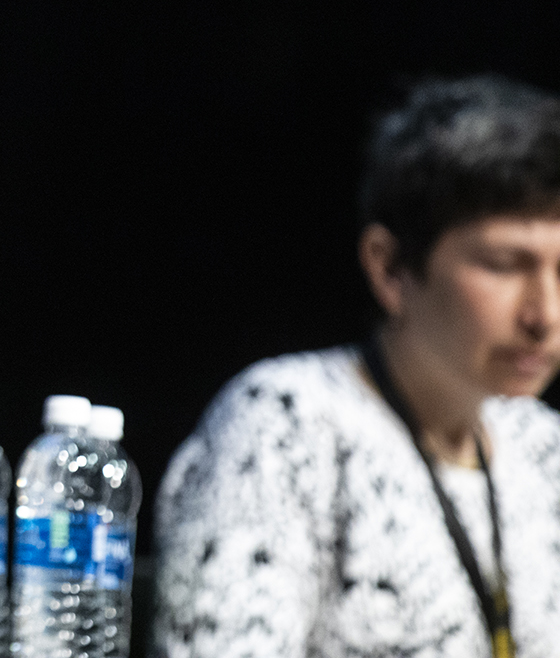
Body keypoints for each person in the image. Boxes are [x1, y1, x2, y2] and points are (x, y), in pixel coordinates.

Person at [152, 74, 560, 657]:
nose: (544, 314)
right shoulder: (285, 425)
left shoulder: (544, 447)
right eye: (503, 265)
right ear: (389, 267)